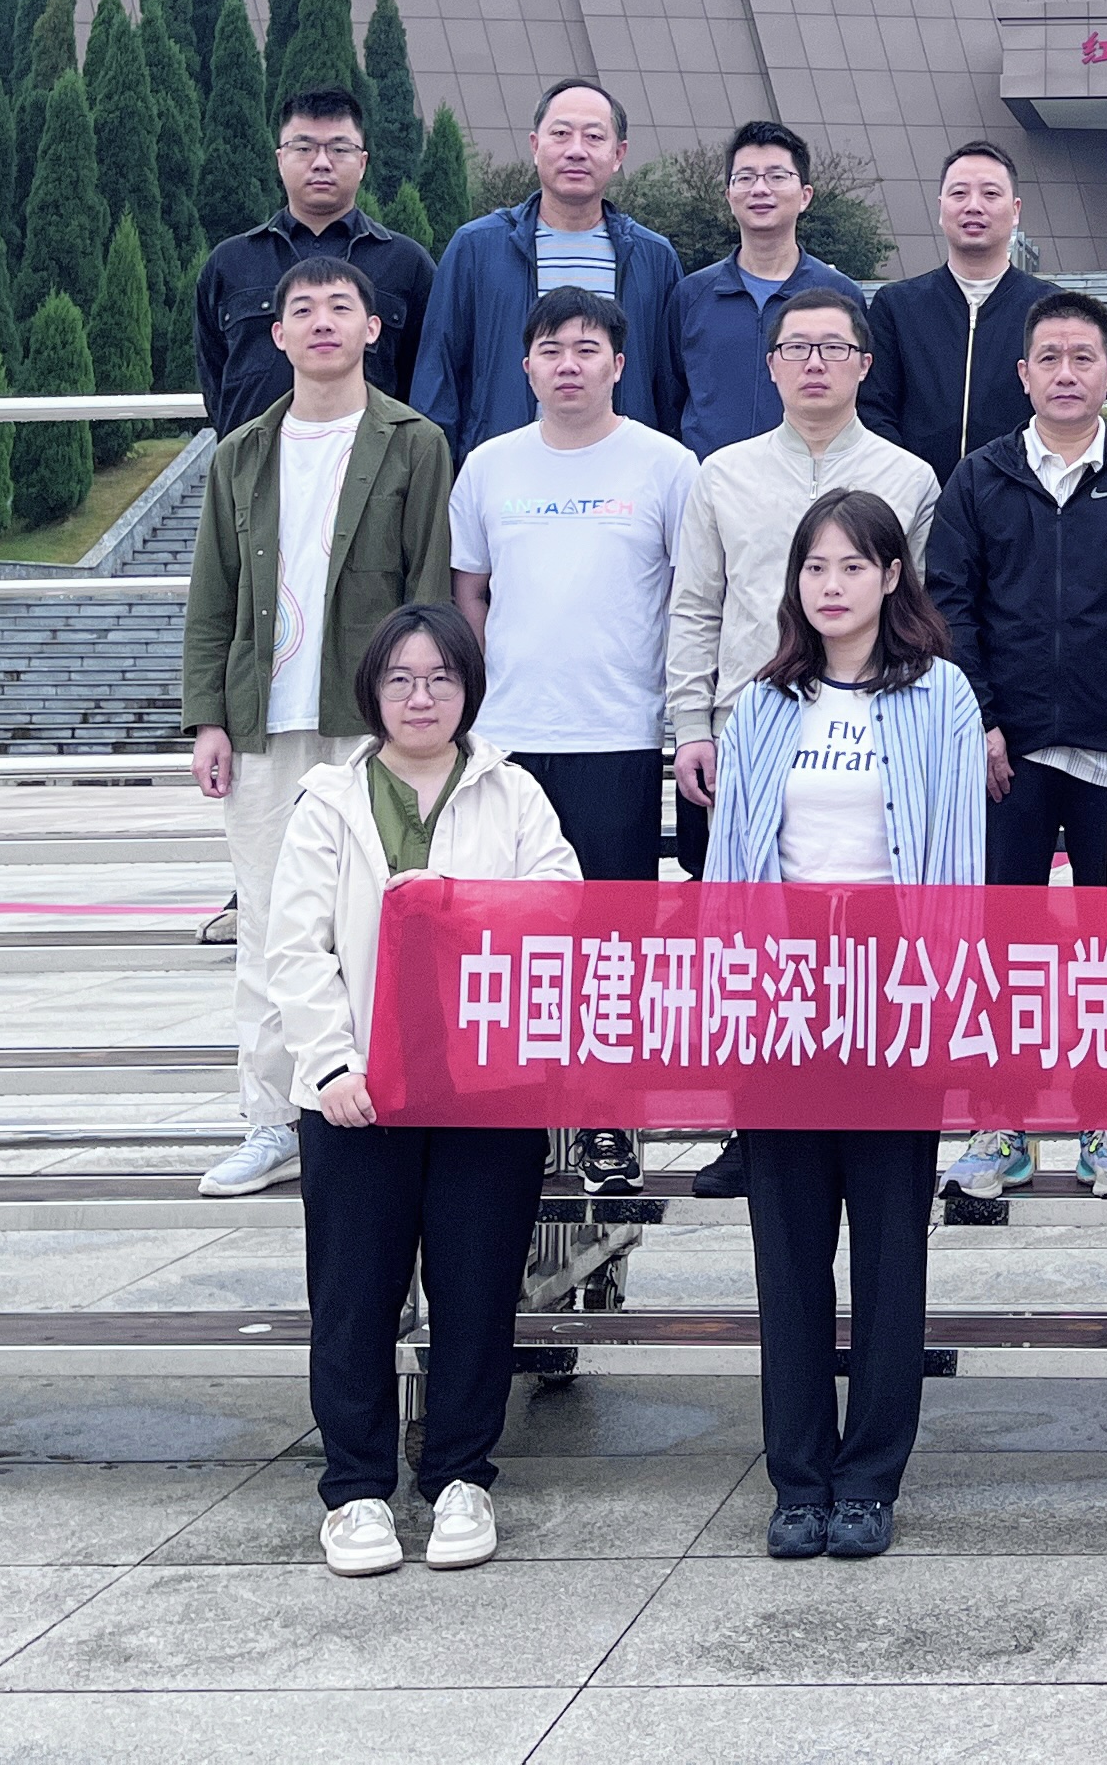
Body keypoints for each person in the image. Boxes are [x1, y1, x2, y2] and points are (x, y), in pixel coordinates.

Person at [698, 492, 989, 1560]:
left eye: (853, 566)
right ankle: (798, 1476)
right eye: (814, 567)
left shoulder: (940, 695)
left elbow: (958, 858)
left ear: (893, 577)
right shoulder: (765, 702)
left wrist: (941, 1001)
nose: (831, 585)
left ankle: (869, 1476)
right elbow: (732, 864)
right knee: (786, 1247)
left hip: (893, 987)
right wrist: (730, 995)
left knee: (889, 1243)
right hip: (782, 989)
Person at [266, 600, 578, 1578]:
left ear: (468, 691)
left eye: (441, 678)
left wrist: (463, 907)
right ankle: (356, 1491)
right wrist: (330, 1066)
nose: (420, 697)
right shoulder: (329, 802)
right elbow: (295, 948)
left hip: (484, 1093)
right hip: (360, 1099)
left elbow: (561, 906)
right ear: (372, 691)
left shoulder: (511, 793)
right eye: (400, 678)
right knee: (354, 1299)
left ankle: (459, 1478)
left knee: (476, 1294)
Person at [181, 255, 456, 1199]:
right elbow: (212, 595)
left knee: (381, 918)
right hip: (264, 721)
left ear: (374, 329)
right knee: (270, 922)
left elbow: (428, 587)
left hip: (371, 720)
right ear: (278, 335)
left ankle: (391, 1097)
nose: (324, 321)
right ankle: (271, 1118)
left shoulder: (414, 443)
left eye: (343, 306)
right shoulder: (241, 453)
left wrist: (422, 712)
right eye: (304, 309)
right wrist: (207, 718)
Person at [926, 286, 1107, 1204]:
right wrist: (981, 716)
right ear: (1022, 373)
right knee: (1000, 944)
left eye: (1084, 357)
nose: (1066, 373)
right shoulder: (981, 478)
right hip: (1005, 752)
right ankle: (997, 1121)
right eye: (1049, 357)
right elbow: (951, 604)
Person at [666, 283, 942, 1191]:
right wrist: (692, 724)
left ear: (865, 364)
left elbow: (920, 615)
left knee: (867, 946)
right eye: (796, 348)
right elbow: (696, 605)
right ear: (772, 365)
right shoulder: (723, 475)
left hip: (871, 739)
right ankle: (754, 1130)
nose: (814, 363)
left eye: (833, 347)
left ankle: (869, 1115)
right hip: (750, 736)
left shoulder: (909, 478)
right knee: (755, 939)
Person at [446, 285, 695, 1194]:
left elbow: (690, 594)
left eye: (587, 349)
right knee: (508, 938)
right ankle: (512, 1110)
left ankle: (607, 1118)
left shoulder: (666, 466)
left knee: (610, 942)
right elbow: (470, 591)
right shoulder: (489, 467)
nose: (568, 365)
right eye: (551, 350)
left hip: (616, 735)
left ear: (618, 365)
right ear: (526, 366)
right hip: (507, 738)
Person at [412, 77, 688, 453]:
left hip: (623, 471)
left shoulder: (653, 257)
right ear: (535, 145)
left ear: (618, 154)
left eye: (594, 137)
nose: (576, 150)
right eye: (560, 134)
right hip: (506, 468)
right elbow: (438, 374)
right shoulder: (477, 248)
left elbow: (670, 389)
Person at [192, 87, 439, 435]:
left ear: (362, 163)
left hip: (373, 464)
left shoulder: (406, 264)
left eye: (339, 149)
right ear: (280, 159)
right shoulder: (229, 263)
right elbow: (215, 382)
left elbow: (425, 382)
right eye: (304, 148)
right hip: (257, 463)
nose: (321, 162)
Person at [674, 120, 870, 459]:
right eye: (745, 177)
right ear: (729, 196)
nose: (760, 189)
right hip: (710, 479)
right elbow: (669, 396)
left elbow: (860, 397)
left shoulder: (840, 296)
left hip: (812, 478)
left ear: (805, 196)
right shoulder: (692, 295)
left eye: (777, 176)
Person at [861, 138, 1053, 473]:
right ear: (941, 208)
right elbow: (873, 410)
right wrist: (910, 481)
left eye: (990, 194)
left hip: (1020, 493)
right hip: (914, 494)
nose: (973, 206)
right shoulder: (896, 307)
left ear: (1015, 210)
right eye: (959, 193)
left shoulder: (1050, 310)